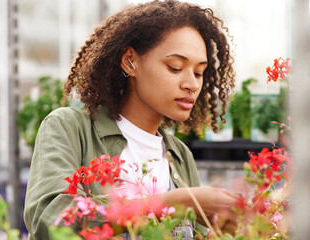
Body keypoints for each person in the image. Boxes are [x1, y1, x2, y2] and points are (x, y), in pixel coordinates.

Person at [24, 0, 238, 239]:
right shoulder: (70, 128)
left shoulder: (179, 155)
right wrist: (173, 203)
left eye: (199, 72)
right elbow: (51, 224)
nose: (192, 84)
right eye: (175, 67)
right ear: (130, 61)